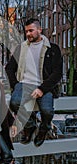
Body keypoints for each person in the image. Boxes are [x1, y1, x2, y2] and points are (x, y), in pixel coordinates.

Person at [5, 18, 63, 147]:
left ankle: (43, 129)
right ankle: (30, 125)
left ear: (39, 30)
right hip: (24, 84)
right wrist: (15, 85)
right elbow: (9, 68)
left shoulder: (53, 49)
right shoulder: (21, 48)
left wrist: (42, 89)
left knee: (47, 111)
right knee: (14, 103)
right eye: (26, 31)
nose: (28, 34)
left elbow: (57, 73)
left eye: (31, 30)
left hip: (44, 85)